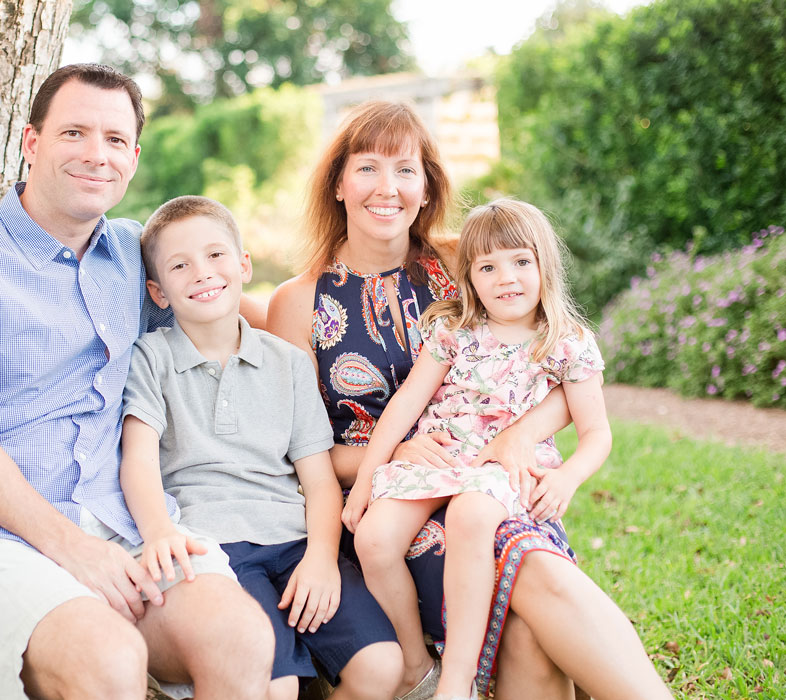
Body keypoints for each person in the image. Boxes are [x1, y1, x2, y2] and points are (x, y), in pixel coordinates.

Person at [0, 64, 274, 700]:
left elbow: (223, 300)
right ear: (32, 143)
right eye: (74, 133)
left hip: (124, 523)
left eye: (115, 140)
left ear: (134, 157)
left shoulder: (130, 250)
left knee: (241, 637)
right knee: (110, 660)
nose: (97, 155)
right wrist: (75, 550)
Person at [268, 100, 672, 700]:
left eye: (406, 169)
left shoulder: (465, 261)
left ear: (428, 186)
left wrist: (516, 435)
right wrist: (397, 454)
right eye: (368, 168)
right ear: (337, 183)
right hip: (381, 501)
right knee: (525, 594)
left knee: (526, 589)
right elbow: (294, 452)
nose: (388, 187)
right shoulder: (299, 301)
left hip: (486, 478)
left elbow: (560, 365)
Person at [120, 195, 403, 700]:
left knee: (382, 666)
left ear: (243, 264)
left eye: (215, 255)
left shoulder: (288, 363)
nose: (202, 273)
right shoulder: (151, 358)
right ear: (157, 292)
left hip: (295, 543)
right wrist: (160, 531)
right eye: (179, 266)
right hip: (215, 548)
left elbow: (318, 480)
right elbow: (138, 460)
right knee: (277, 687)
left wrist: (320, 556)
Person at [342, 198, 613, 700]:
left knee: (469, 517)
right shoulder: (454, 330)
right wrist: (363, 485)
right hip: (440, 457)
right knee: (375, 540)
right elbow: (404, 405)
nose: (506, 278)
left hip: (500, 466)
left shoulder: (566, 342)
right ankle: (416, 665)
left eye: (520, 262)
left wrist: (567, 477)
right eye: (488, 267)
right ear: (469, 276)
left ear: (544, 265)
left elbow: (597, 431)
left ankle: (458, 679)